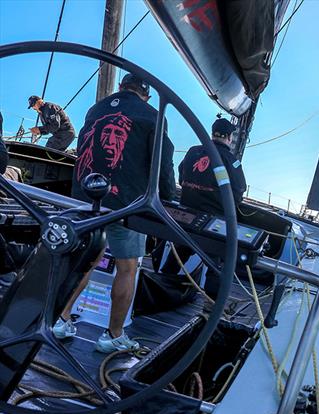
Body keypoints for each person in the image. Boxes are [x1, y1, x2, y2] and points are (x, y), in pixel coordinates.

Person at [54, 73, 176, 353]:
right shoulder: (152, 115)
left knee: (86, 260)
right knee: (127, 268)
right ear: (145, 94)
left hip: (87, 201)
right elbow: (163, 165)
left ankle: (61, 321)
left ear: (121, 87)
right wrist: (168, 197)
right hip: (125, 205)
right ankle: (113, 335)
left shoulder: (95, 110)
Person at [163, 117, 246, 300]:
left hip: (186, 217)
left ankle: (161, 286)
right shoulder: (230, 160)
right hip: (212, 223)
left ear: (213, 134)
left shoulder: (193, 152)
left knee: (179, 254)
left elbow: (181, 176)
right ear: (229, 137)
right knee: (215, 263)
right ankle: (210, 307)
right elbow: (239, 191)